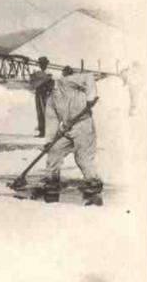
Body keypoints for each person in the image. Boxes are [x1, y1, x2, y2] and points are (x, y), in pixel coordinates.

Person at [41, 66, 103, 206]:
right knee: (54, 151)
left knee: (82, 158)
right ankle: (52, 181)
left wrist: (90, 98)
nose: (43, 89)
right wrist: (49, 141)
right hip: (67, 128)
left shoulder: (66, 81)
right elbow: (52, 120)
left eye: (44, 86)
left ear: (49, 81)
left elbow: (89, 77)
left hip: (83, 124)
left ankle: (93, 182)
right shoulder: (50, 99)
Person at [30, 56, 54, 137]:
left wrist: (47, 91)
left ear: (46, 64)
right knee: (39, 113)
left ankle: (47, 131)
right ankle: (42, 131)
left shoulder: (48, 73)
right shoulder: (39, 73)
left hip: (45, 95)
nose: (41, 65)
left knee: (46, 113)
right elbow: (32, 83)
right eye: (40, 64)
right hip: (38, 94)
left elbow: (51, 85)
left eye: (43, 64)